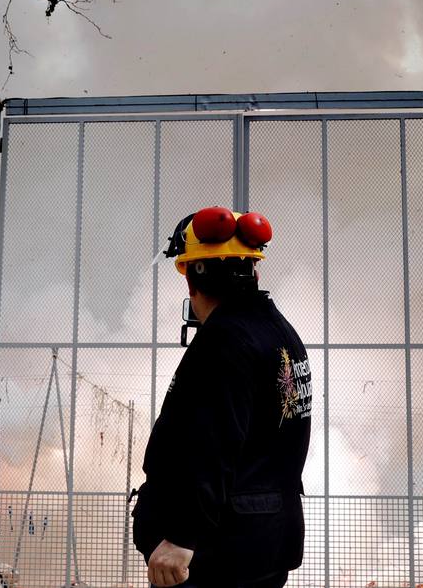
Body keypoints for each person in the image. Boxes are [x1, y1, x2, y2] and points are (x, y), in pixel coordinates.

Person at [133, 206, 312, 588]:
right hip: (264, 542)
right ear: (254, 271)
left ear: (191, 281)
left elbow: (211, 445)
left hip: (214, 554)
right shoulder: (281, 333)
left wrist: (183, 537)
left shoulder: (224, 340)